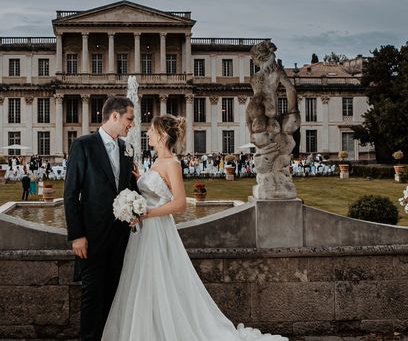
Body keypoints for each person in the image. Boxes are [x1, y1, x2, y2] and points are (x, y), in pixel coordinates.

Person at [102, 114, 287, 341]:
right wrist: (140, 183)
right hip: (144, 233)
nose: (147, 133)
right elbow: (154, 191)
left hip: (157, 231)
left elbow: (179, 204)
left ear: (161, 134)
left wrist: (146, 213)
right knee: (143, 283)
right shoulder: (156, 162)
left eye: (151, 130)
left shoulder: (172, 164)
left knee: (160, 280)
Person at [63, 96, 138, 341]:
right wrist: (77, 235)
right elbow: (71, 194)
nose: (132, 125)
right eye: (129, 119)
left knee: (115, 296)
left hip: (121, 238)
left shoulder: (128, 148)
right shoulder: (83, 145)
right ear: (114, 116)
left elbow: (130, 189)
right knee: (92, 297)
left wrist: (137, 209)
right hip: (92, 238)